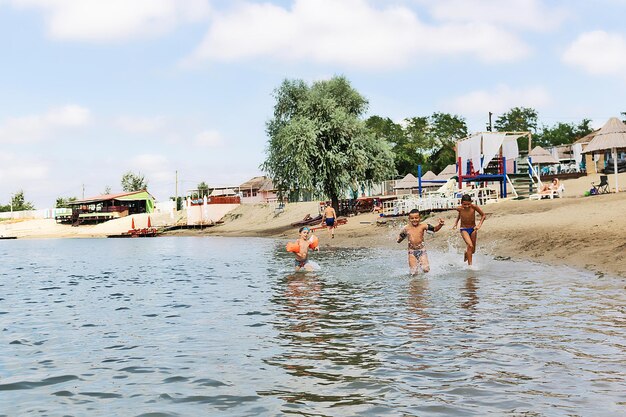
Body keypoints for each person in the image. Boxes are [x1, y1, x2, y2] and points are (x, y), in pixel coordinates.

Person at [397, 209, 445, 275]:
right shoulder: (406, 228)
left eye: (416, 218)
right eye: (412, 218)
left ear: (420, 218)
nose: (414, 220)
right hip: (411, 252)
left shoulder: (423, 226)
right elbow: (400, 238)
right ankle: (416, 284)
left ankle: (425, 283)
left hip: (422, 251)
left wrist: (440, 225)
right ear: (409, 219)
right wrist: (399, 239)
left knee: (426, 269)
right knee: (414, 272)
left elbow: (434, 229)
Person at [452, 194, 486, 266]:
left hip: (473, 229)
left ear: (471, 202)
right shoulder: (460, 208)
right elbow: (460, 215)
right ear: (461, 203)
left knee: (473, 250)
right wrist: (456, 223)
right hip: (464, 229)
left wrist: (479, 225)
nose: (467, 206)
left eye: (468, 204)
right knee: (470, 245)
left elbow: (483, 215)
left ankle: (466, 252)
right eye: (464, 204)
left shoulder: (474, 207)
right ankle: (470, 266)